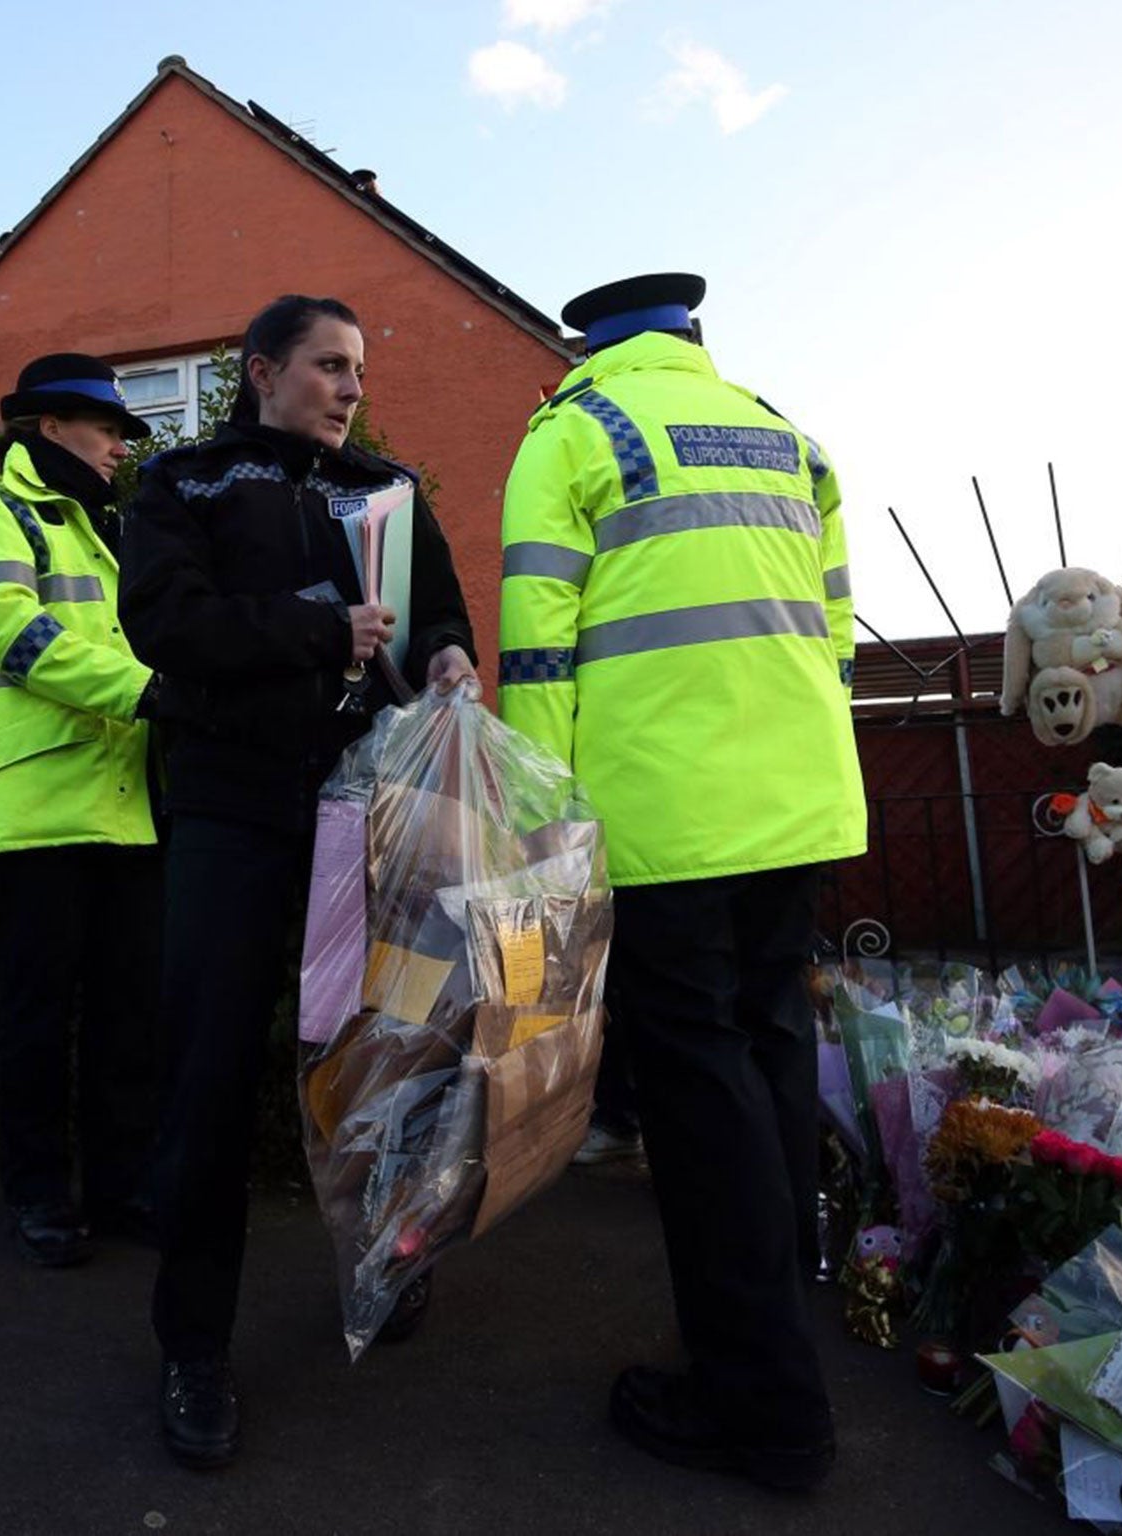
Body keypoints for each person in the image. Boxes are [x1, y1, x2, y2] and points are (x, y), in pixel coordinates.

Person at [497, 272, 866, 1492]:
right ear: (688, 342)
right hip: (794, 809)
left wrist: (543, 823)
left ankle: (761, 1412)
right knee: (766, 1076)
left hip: (664, 823)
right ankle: (775, 1355)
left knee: (700, 1114)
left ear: (584, 345)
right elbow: (836, 635)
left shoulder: (574, 433)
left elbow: (540, 648)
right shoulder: (785, 438)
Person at [120, 294, 476, 1470]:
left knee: (378, 1049)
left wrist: (448, 659)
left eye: (359, 368)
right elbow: (165, 621)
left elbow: (436, 622)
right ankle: (194, 1348)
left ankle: (389, 1259)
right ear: (262, 370)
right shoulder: (187, 482)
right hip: (230, 813)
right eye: (328, 365)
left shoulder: (389, 488)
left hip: (363, 819)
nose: (350, 386)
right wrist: (321, 629)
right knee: (212, 1070)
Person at [0, 353, 168, 1270]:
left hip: (119, 801)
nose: (118, 448)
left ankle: (118, 1188)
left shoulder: (103, 530)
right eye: (107, 430)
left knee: (125, 1015)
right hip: (33, 806)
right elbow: (16, 638)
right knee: (36, 1015)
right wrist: (153, 693)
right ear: (51, 428)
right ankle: (37, 1195)